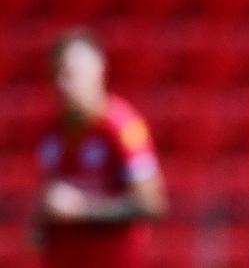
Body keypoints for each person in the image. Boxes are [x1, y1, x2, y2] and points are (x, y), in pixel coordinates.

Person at [32, 29, 167, 268]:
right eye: (56, 74)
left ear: (98, 72)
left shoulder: (122, 127)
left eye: (71, 74)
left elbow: (150, 204)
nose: (62, 84)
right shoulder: (51, 132)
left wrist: (81, 208)